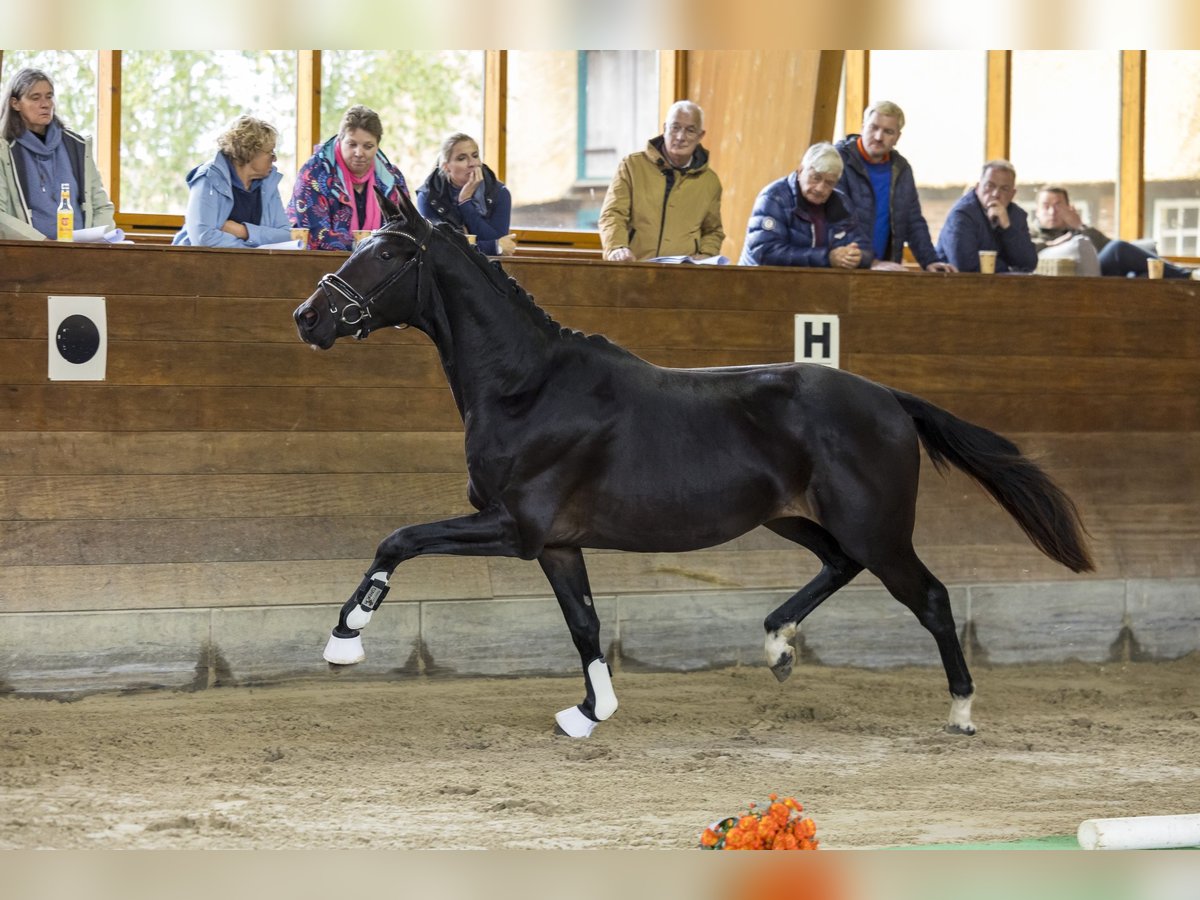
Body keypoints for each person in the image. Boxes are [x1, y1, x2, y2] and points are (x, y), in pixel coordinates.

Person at [834, 100, 955, 272]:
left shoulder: (901, 168)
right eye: (873, 128)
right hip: (844, 268)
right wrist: (870, 262)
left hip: (887, 268)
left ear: (897, 137)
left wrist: (930, 260)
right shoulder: (838, 161)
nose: (878, 136)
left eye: (888, 131)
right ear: (863, 128)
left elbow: (913, 221)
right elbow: (837, 221)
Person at [597, 99, 724, 261]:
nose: (680, 137)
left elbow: (712, 231)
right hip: (635, 267)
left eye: (690, 130)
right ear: (664, 129)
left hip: (683, 277)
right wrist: (617, 247)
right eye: (675, 127)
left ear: (701, 135)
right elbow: (612, 214)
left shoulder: (710, 182)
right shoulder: (632, 166)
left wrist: (706, 255)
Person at [0, 66, 114, 241]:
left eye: (49, 96)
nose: (45, 104)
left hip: (79, 254)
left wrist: (96, 244)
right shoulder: (4, 149)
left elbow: (101, 206)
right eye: (35, 98)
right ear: (15, 104)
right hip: (26, 256)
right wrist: (42, 244)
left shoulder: (78, 146)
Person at [288, 105, 408, 252]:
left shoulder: (393, 178)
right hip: (321, 267)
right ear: (340, 140)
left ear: (378, 146)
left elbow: (404, 232)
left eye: (368, 146)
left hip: (381, 265)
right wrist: (369, 245)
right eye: (352, 144)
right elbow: (316, 236)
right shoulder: (313, 173)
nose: (359, 153)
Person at [738, 142, 873, 269]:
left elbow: (865, 248)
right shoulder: (774, 197)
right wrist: (827, 258)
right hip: (759, 283)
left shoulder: (842, 203)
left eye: (829, 183)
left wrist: (857, 257)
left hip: (814, 286)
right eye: (816, 178)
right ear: (800, 170)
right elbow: (765, 252)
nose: (820, 188)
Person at [172, 115, 291, 248]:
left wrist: (243, 231)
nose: (274, 159)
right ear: (251, 152)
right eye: (270, 152)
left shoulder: (268, 182)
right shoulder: (208, 177)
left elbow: (285, 236)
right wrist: (255, 248)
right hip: (197, 265)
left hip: (251, 265)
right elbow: (203, 239)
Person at [1031, 185, 1192, 279]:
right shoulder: (1028, 232)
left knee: (1138, 276)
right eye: (1046, 206)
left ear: (1069, 207)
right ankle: (1186, 275)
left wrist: (1080, 226)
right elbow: (1025, 252)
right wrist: (1056, 243)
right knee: (1118, 248)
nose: (1052, 211)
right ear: (1037, 210)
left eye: (1058, 205)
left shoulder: (1078, 231)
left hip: (1099, 275)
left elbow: (1105, 248)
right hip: (1073, 280)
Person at [416, 132, 514, 255]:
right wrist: (491, 247)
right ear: (446, 167)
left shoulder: (499, 192)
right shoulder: (428, 197)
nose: (472, 163)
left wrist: (465, 202)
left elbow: (501, 244)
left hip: (488, 269)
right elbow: (438, 247)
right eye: (462, 158)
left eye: (475, 155)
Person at [935, 160, 1038, 273]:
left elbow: (1029, 263)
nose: (995, 194)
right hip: (955, 285)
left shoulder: (1017, 215)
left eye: (1004, 189)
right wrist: (1008, 268)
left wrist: (1008, 229)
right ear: (978, 187)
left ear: (1012, 194)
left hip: (1001, 285)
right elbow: (965, 265)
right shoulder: (962, 214)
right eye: (990, 186)